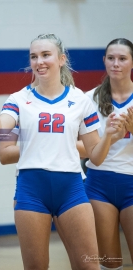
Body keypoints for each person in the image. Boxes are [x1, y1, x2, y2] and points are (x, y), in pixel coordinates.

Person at [0, 33, 124, 270]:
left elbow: (96, 157)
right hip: (32, 190)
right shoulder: (19, 98)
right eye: (33, 56)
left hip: (72, 190)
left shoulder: (80, 100)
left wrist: (109, 136)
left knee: (89, 267)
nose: (39, 61)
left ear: (61, 59)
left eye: (45, 55)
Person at [84, 38, 133, 270]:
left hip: (131, 181)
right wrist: (107, 138)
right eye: (111, 58)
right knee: (109, 263)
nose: (116, 64)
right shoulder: (88, 99)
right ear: (104, 60)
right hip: (99, 183)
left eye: (122, 58)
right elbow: (79, 145)